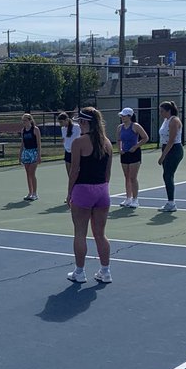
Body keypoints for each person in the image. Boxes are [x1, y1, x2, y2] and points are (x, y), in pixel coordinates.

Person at [67, 107, 113, 284]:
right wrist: (102, 189)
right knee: (100, 234)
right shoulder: (107, 142)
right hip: (102, 191)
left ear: (85, 122)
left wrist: (69, 193)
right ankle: (105, 271)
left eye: (80, 121)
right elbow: (108, 173)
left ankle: (79, 273)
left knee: (80, 233)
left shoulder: (79, 142)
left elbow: (74, 171)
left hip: (83, 191)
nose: (79, 124)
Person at [116, 108, 149, 208]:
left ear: (130, 116)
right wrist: (120, 149)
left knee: (133, 177)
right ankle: (128, 198)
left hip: (134, 153)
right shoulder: (120, 127)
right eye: (121, 116)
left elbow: (145, 138)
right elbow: (118, 139)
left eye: (124, 116)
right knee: (127, 177)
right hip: (124, 154)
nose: (122, 117)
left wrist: (135, 147)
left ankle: (135, 200)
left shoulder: (135, 126)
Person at [157, 101, 184, 212]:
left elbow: (171, 140)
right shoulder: (166, 120)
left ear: (168, 111)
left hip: (174, 150)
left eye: (162, 111)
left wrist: (162, 156)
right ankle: (170, 202)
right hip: (166, 149)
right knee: (166, 175)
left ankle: (171, 203)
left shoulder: (174, 121)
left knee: (168, 175)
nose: (160, 113)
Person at [57, 111, 81, 203]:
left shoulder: (77, 127)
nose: (61, 124)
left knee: (76, 174)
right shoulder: (63, 128)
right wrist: (64, 143)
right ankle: (71, 195)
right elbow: (65, 139)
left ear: (67, 120)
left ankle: (79, 194)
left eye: (62, 122)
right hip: (67, 152)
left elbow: (80, 137)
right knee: (70, 175)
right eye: (59, 122)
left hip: (76, 152)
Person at [19, 113, 42, 201]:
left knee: (32, 173)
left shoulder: (35, 129)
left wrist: (39, 155)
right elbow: (22, 143)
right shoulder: (23, 130)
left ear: (30, 120)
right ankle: (30, 192)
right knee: (28, 174)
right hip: (26, 152)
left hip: (34, 152)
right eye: (23, 121)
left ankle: (35, 193)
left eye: (25, 120)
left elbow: (39, 143)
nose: (24, 122)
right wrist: (20, 155)